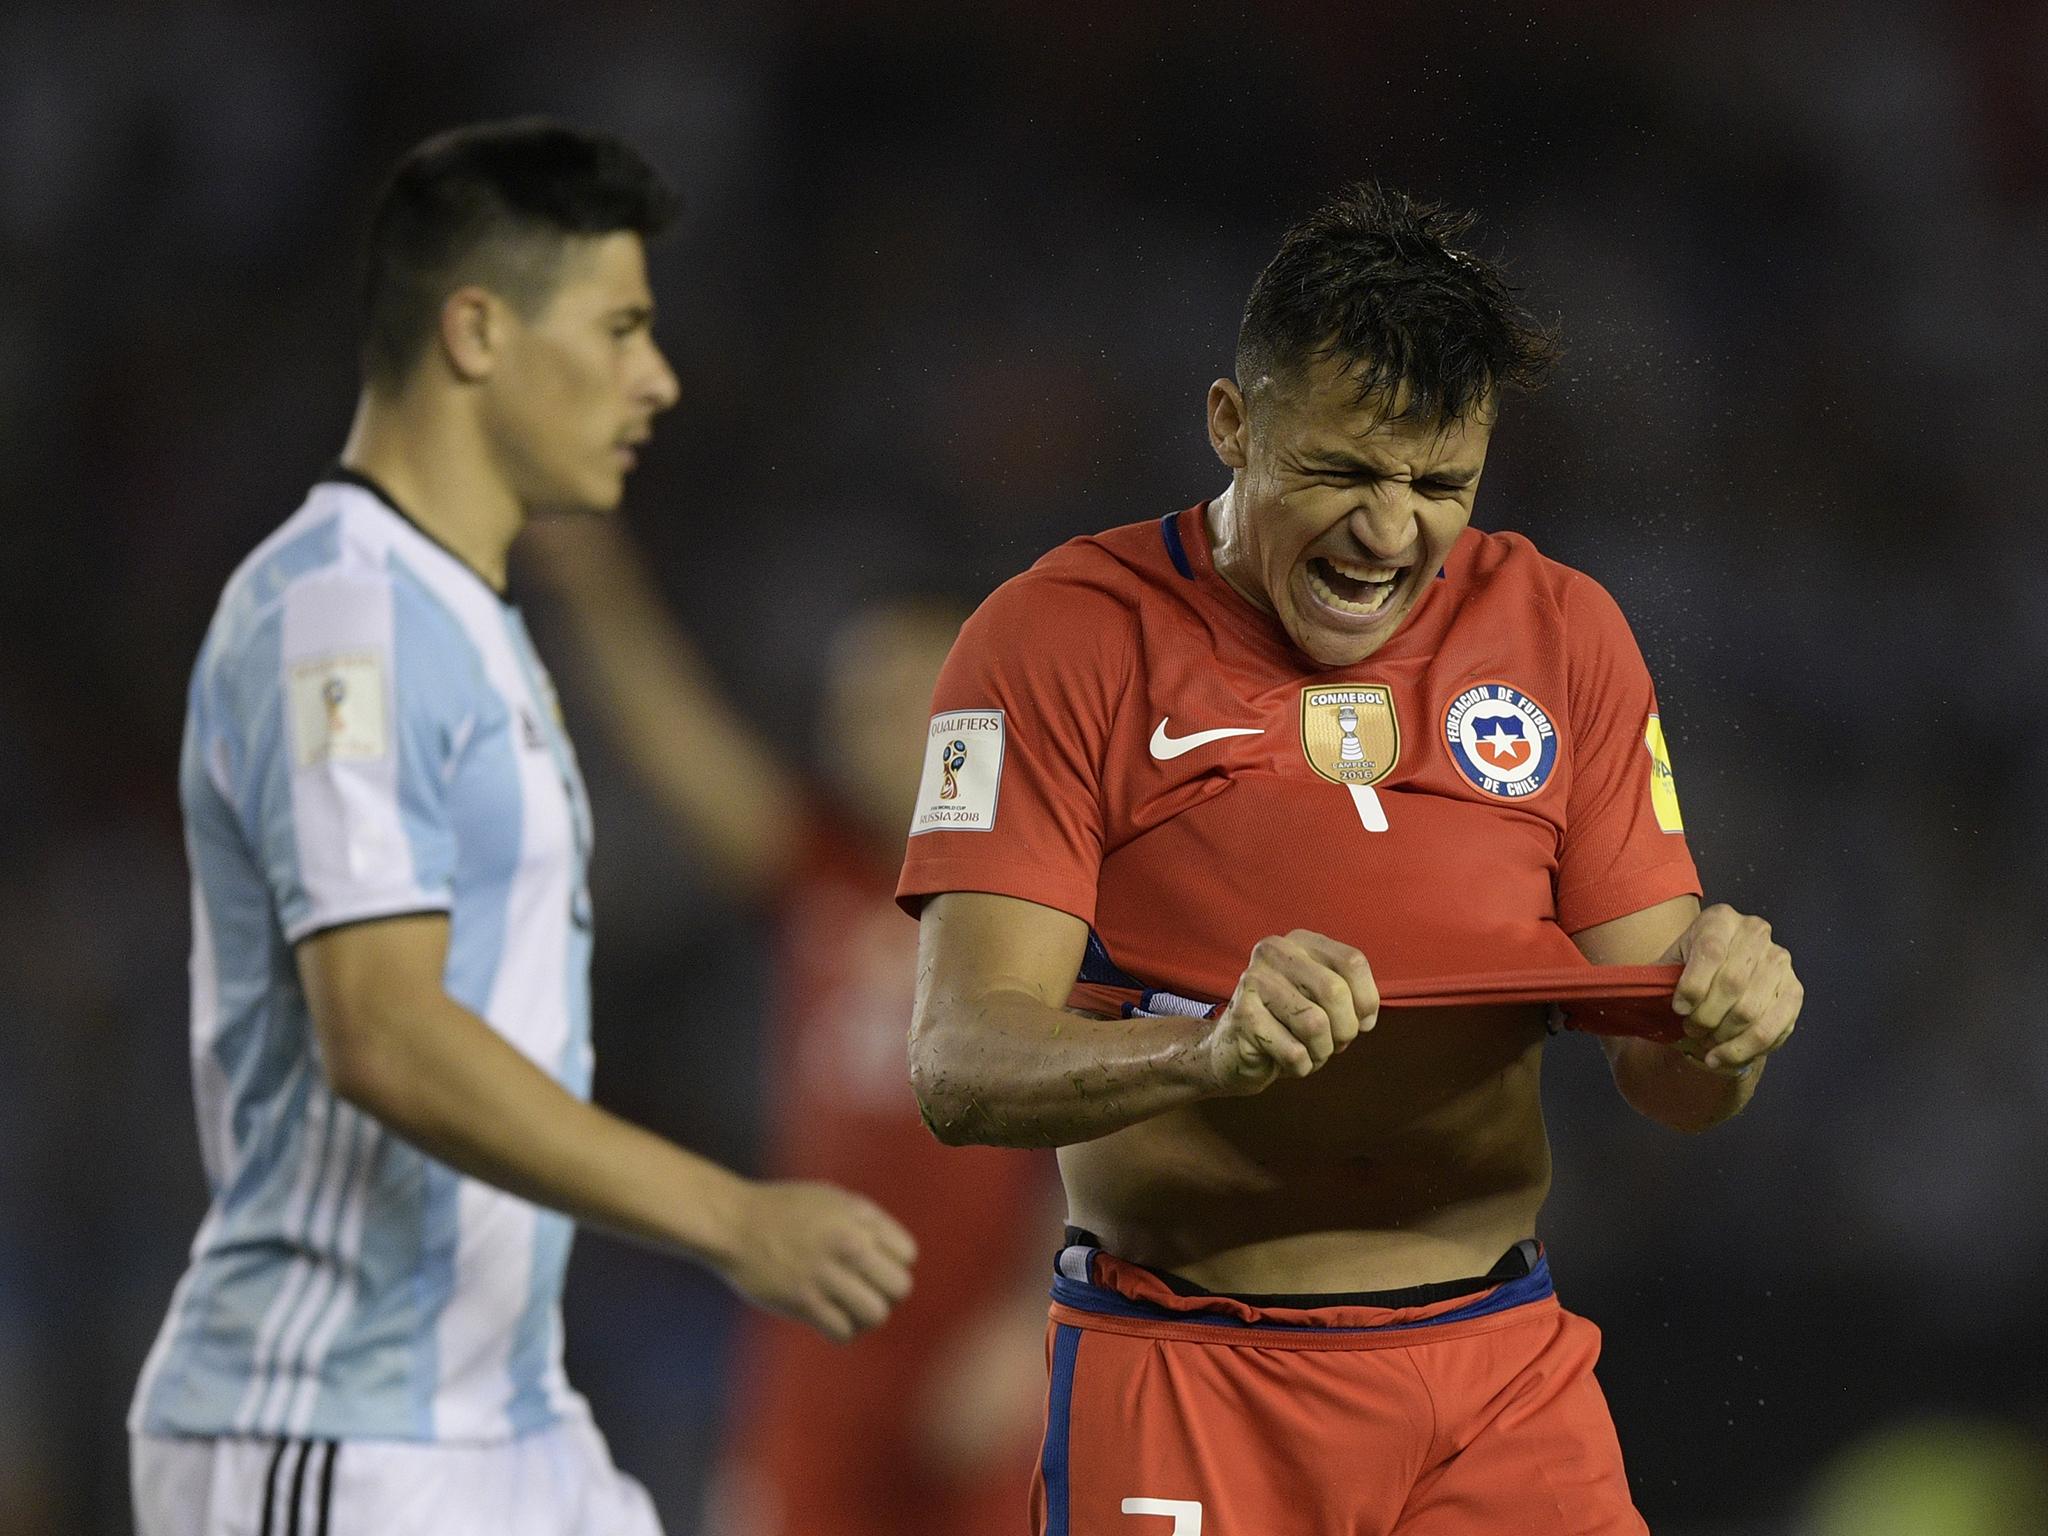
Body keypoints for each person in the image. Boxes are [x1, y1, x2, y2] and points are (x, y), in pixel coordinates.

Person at [898, 182, 1804, 1535]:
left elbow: (1671, 1082)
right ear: (1232, 423)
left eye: (1440, 486)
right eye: (1342, 473)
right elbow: (958, 1061)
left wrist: (1729, 1025)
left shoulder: (1562, 631)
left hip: (1496, 1370)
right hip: (1190, 1370)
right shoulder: (1055, 639)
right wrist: (1200, 1053)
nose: (1389, 534)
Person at [128, 119, 916, 1536]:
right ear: (477, 331)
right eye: (618, 329)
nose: (657, 377)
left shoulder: (460, 618)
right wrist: (732, 1216)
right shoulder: (345, 617)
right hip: (335, 1429)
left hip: (499, 1418)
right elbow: (382, 1030)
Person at [521, 518, 1053, 1536]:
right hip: (819, 1355)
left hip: (984, 1362)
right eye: (852, 706)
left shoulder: (1051, 912)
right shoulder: (821, 872)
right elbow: (675, 742)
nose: (866, 731)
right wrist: (596, 587)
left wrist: (1035, 1317)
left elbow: (1120, 1141)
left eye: (903, 704)